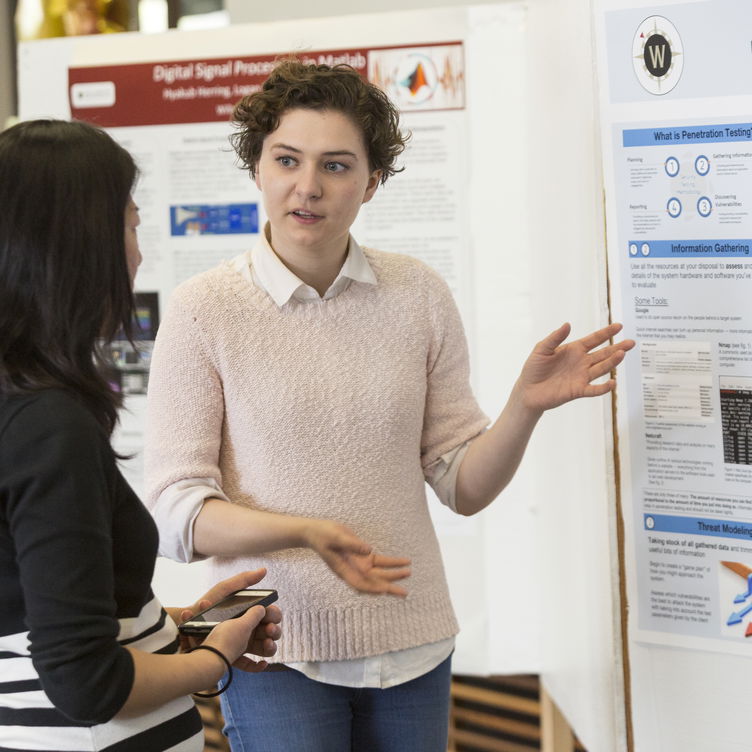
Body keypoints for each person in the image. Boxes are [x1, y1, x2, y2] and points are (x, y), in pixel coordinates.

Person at [144, 59, 635, 752]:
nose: (307, 186)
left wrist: (524, 408)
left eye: (337, 166)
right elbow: (176, 514)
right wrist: (308, 531)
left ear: (372, 182)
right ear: (258, 167)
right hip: (276, 646)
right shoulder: (204, 311)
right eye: (286, 159)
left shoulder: (418, 294)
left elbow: (462, 484)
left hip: (413, 644)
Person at [0, 118, 283, 752]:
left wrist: (174, 626)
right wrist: (216, 658)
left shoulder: (22, 404)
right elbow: (86, 681)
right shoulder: (49, 426)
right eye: (130, 225)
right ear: (78, 244)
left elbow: (32, 609)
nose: (139, 251)